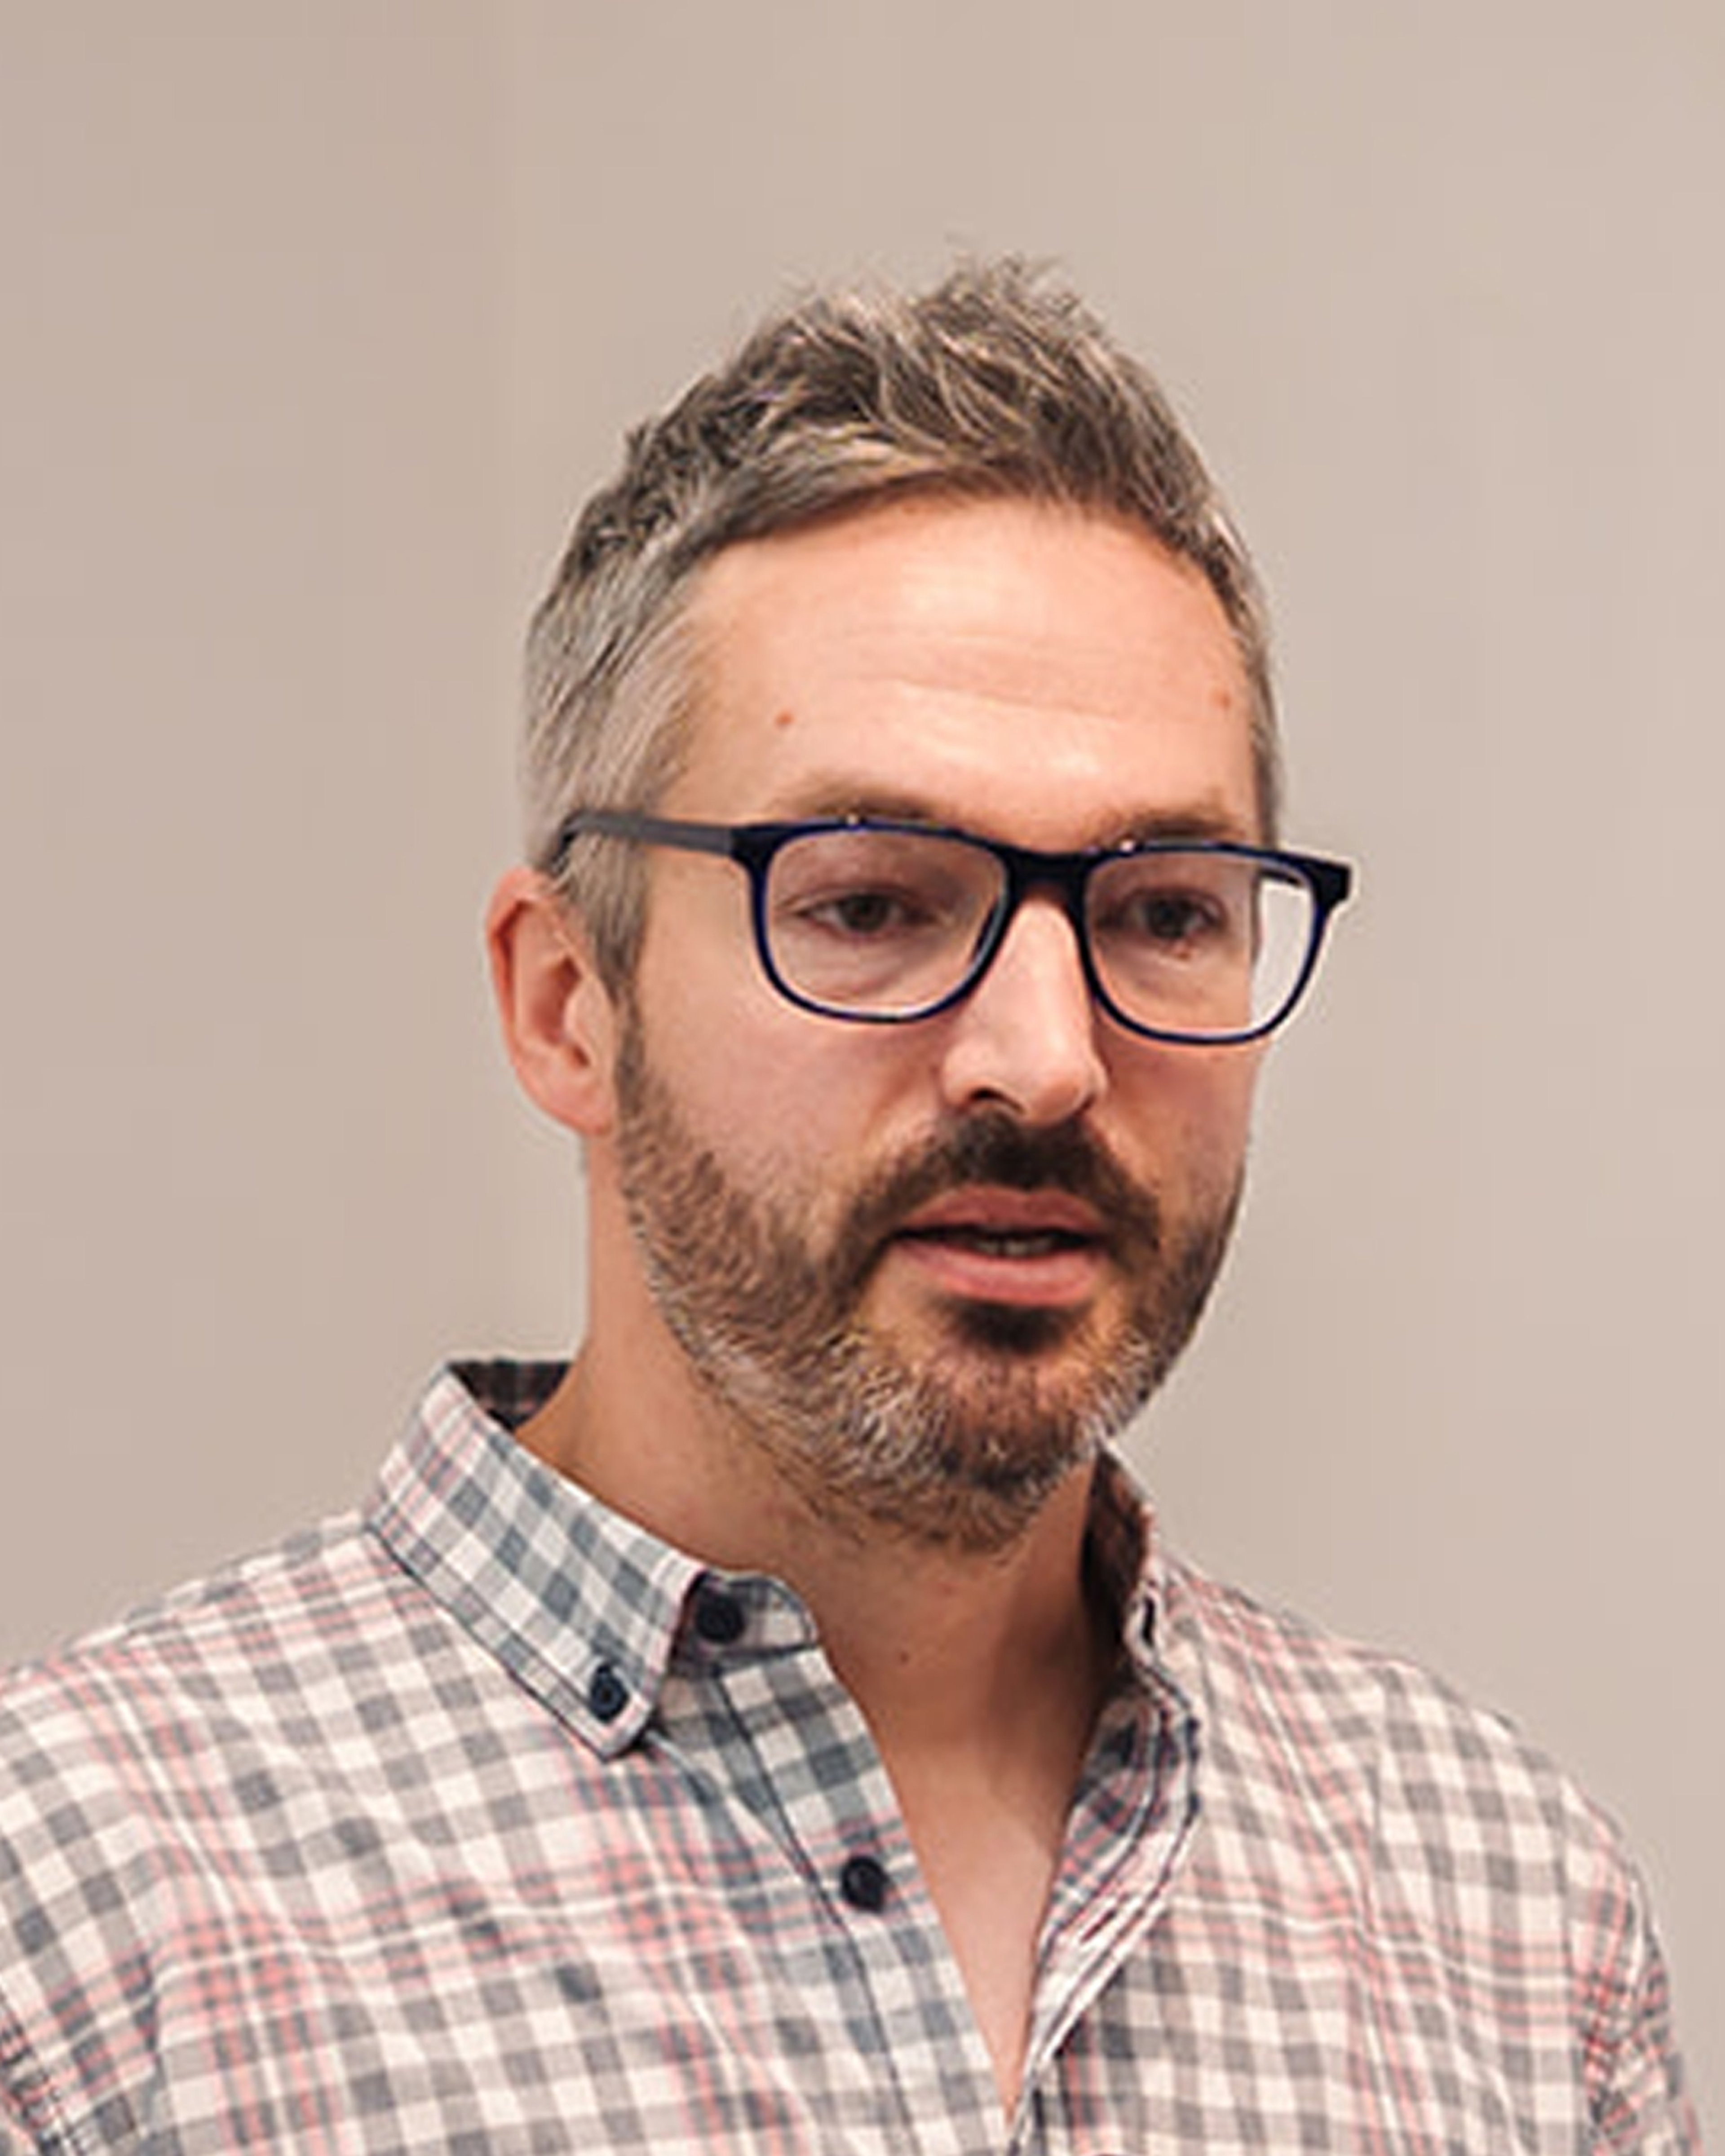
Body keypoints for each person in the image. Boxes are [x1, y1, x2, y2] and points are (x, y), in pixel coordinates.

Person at [0, 261, 1698, 2155]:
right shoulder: (90, 1924)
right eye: (874, 903)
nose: (1045, 1060)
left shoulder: (1509, 1926)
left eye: (1163, 914)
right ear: (569, 1002)